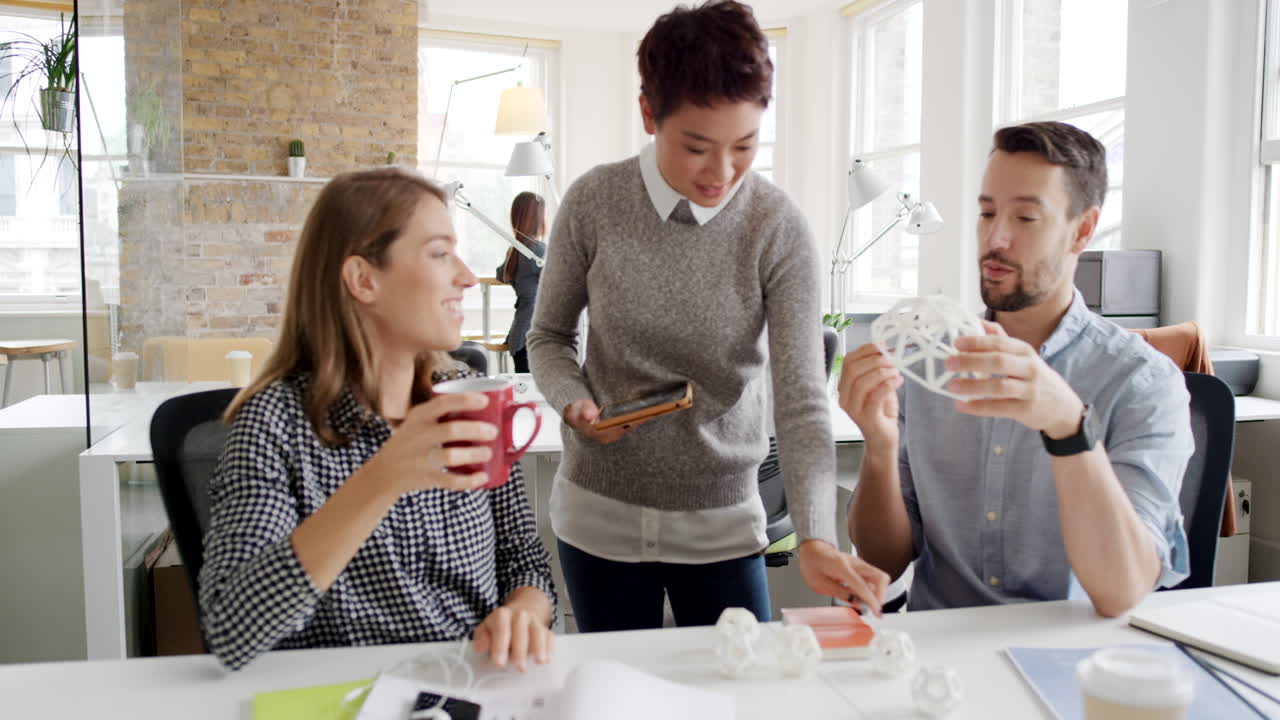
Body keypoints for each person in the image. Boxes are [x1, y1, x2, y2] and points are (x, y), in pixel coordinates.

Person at [527, 0, 888, 633]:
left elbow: (803, 398)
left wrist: (815, 535)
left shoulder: (776, 227)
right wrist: (572, 400)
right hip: (598, 512)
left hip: (723, 522)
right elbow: (550, 336)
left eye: (744, 145)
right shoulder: (592, 201)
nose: (721, 173)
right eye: (697, 147)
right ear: (649, 114)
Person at [199, 168, 556, 671]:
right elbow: (231, 630)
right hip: (337, 695)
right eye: (439, 253)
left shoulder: (465, 395)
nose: (467, 276)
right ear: (364, 280)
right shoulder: (274, 424)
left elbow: (525, 559)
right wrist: (382, 478)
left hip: (470, 685)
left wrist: (523, 610)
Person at [840, 121, 1193, 617]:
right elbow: (884, 560)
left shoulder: (1142, 382)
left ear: (1083, 230)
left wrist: (1069, 425)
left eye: (1025, 218)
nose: (995, 239)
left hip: (1071, 661)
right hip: (942, 652)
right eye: (987, 213)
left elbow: (1122, 591)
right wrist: (879, 449)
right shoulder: (928, 362)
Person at [495, 191, 547, 373]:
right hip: (534, 339)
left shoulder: (515, 250)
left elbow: (500, 274)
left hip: (520, 337)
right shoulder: (539, 251)